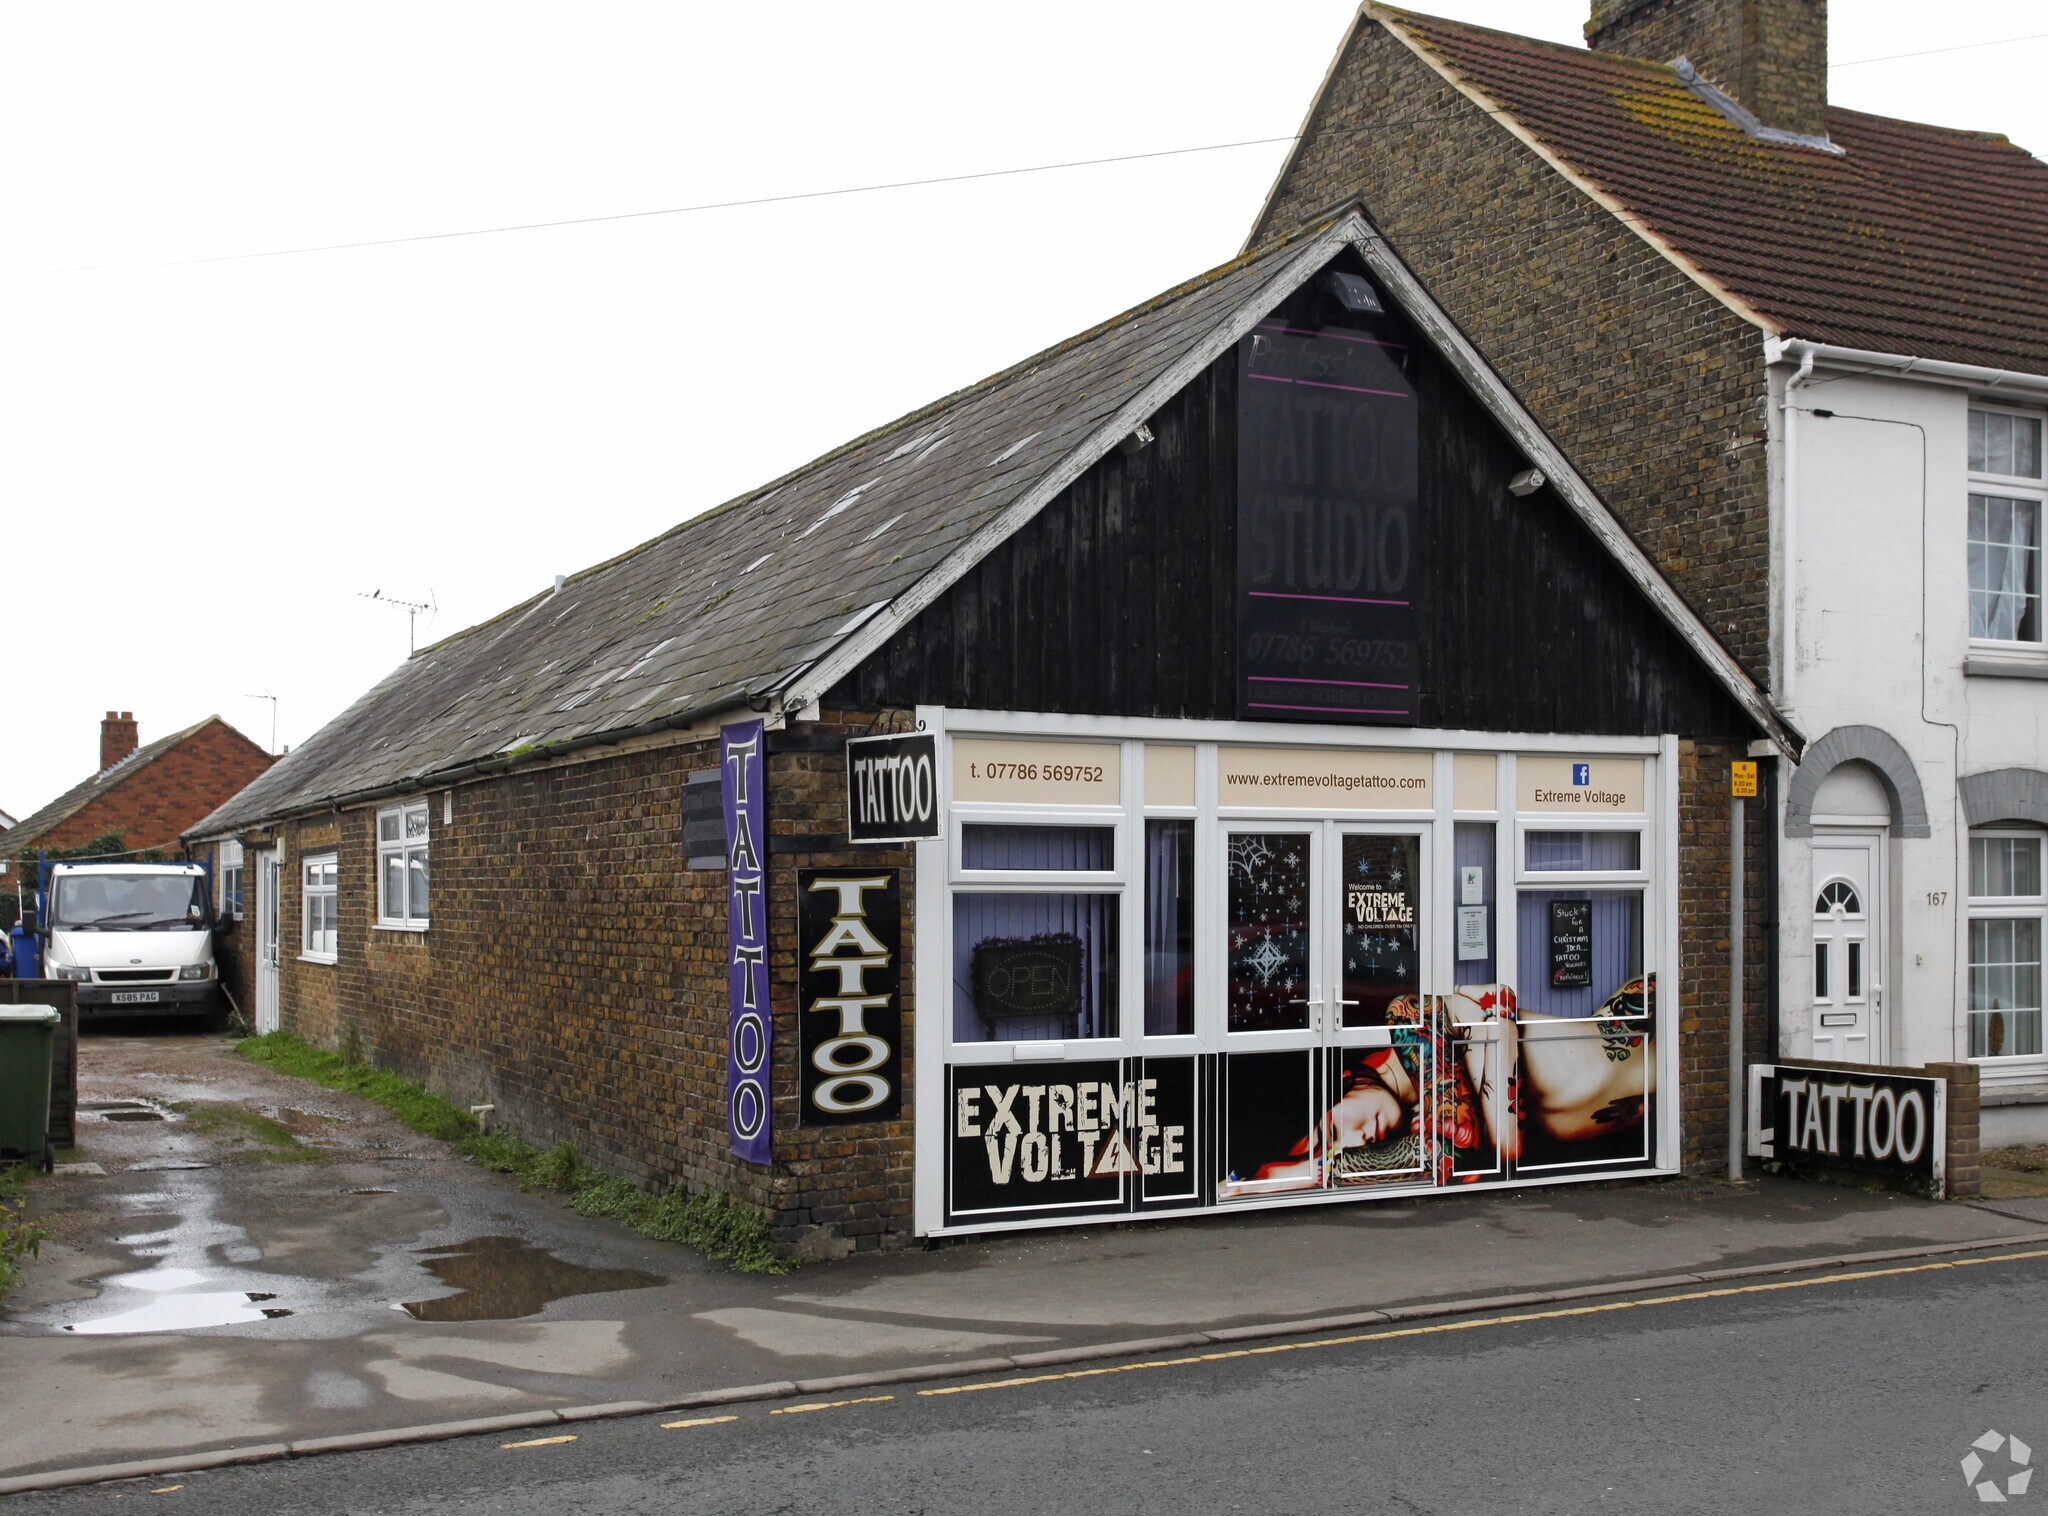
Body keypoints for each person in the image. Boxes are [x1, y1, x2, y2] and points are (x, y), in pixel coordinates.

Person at [1242, 978, 1656, 1189]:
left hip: (1644, 1029)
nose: (1358, 1141)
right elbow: (1450, 1149)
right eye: (1344, 1153)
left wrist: (1498, 1127)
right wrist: (1302, 1173)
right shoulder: (1427, 1110)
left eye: (1333, 1130)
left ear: (1342, 1078)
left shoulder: (1408, 1020)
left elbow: (1498, 999)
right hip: (1647, 1097)